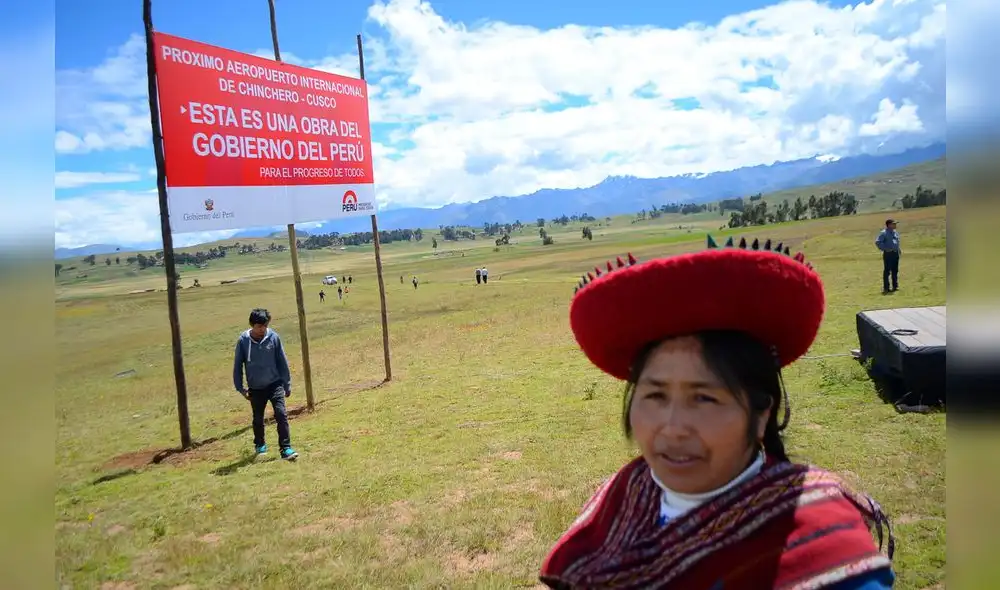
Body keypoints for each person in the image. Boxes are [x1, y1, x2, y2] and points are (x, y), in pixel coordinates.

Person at [539, 236, 895, 589]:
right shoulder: (624, 494)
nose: (672, 428)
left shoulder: (824, 549)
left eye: (704, 398)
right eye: (655, 395)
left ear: (761, 415)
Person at [232, 308, 298, 461]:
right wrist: (241, 388)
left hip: (275, 384)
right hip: (255, 387)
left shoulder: (274, 337)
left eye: (265, 326)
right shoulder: (243, 341)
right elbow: (238, 365)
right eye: (259, 326)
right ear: (252, 325)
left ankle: (286, 448)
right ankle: (260, 445)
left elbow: (282, 361)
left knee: (281, 414)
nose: (262, 329)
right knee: (258, 418)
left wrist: (287, 383)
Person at [874, 219, 900, 294]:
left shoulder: (895, 232)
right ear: (889, 225)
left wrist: (898, 249)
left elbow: (896, 242)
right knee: (887, 271)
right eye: (893, 224)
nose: (895, 225)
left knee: (895, 270)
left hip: (895, 253)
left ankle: (895, 286)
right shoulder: (884, 233)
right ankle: (886, 288)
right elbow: (878, 242)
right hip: (888, 254)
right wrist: (885, 249)